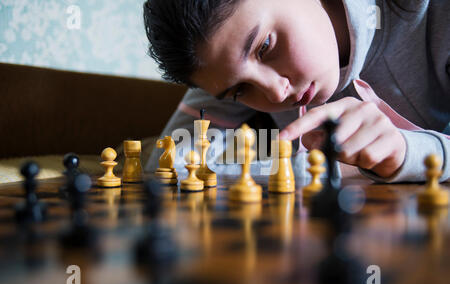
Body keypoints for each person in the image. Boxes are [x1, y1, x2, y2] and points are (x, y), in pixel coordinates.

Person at [143, 0, 450, 182]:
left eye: (265, 46)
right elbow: (167, 162)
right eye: (241, 90)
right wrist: (302, 167)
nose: (276, 94)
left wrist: (409, 152)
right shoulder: (221, 67)